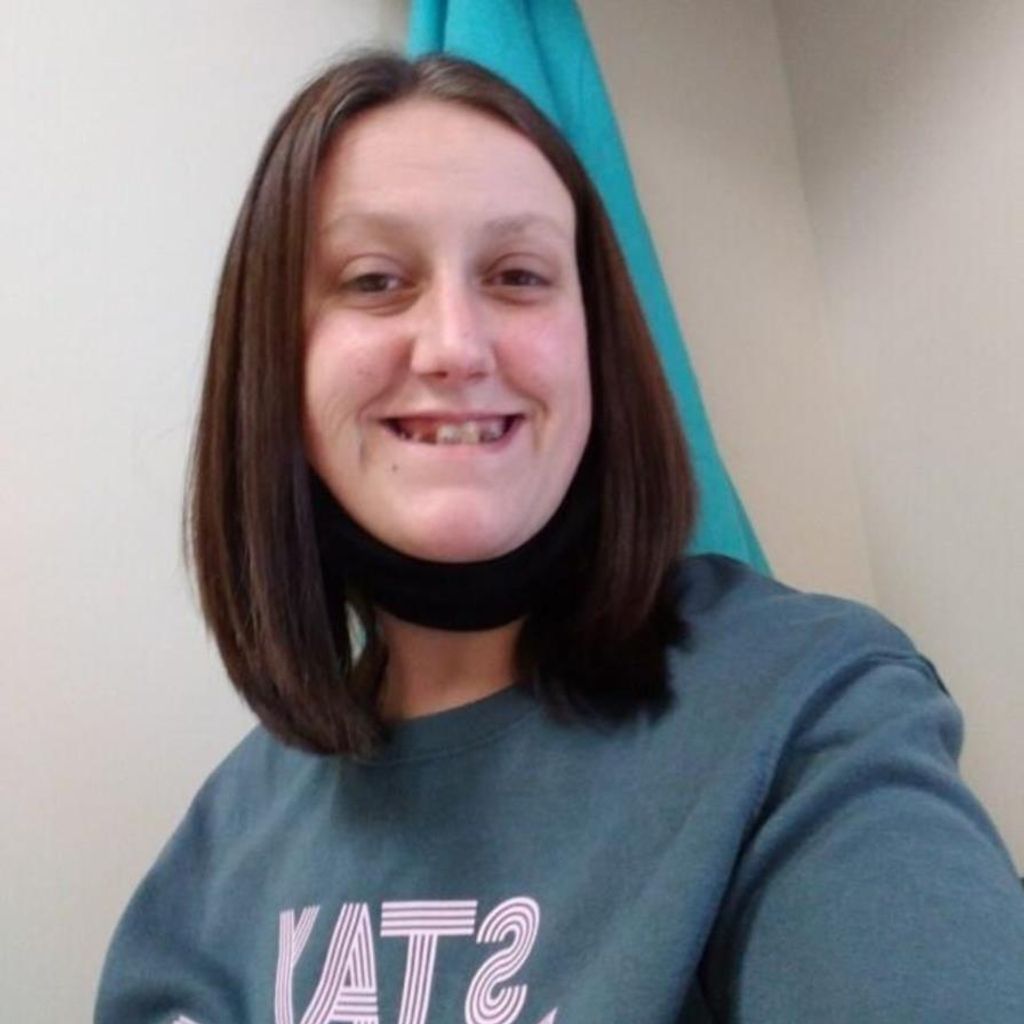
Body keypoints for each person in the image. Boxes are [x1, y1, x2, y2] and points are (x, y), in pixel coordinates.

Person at [94, 52, 1024, 1023]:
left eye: (518, 276)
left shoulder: (807, 709)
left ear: (596, 348)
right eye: (374, 280)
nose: (456, 346)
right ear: (274, 366)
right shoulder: (218, 852)